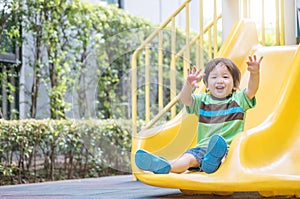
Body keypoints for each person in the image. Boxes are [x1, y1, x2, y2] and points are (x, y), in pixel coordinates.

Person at [135, 55, 263, 174]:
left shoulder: (239, 99)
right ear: (206, 85)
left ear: (235, 84)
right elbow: (185, 99)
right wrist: (188, 85)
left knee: (224, 158)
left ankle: (212, 162)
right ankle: (166, 166)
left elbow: (252, 89)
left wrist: (254, 73)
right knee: (188, 158)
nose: (219, 81)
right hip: (202, 148)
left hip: (228, 150)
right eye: (214, 77)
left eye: (225, 77)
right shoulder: (203, 100)